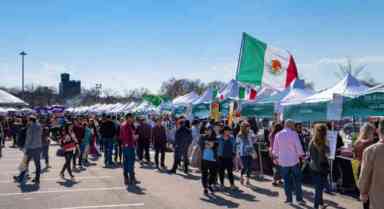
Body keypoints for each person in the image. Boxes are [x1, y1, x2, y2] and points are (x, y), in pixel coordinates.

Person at [273, 119, 305, 205]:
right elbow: (298, 146)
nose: (294, 126)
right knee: (297, 180)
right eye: (293, 125)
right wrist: (302, 155)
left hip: (283, 161)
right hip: (294, 160)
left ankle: (289, 199)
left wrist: (275, 158)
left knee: (286, 181)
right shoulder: (294, 134)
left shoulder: (278, 134)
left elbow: (275, 149)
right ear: (291, 125)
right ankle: (299, 199)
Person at [358, 119, 384, 209]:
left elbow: (364, 175)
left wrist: (363, 192)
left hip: (378, 199)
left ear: (378, 130)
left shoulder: (370, 151)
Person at [353, 122, 376, 209]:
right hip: (370, 171)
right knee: (372, 199)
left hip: (360, 168)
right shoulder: (371, 143)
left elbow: (355, 156)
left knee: (364, 198)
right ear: (370, 132)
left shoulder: (357, 142)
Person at [14, 116, 43, 185]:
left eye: (28, 120)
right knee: (37, 164)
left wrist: (25, 147)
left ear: (31, 121)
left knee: (25, 163)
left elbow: (29, 139)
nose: (28, 122)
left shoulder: (30, 128)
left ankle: (22, 176)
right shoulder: (39, 126)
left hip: (30, 148)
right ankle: (37, 179)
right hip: (38, 147)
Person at [309, 124, 330, 209]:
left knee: (319, 188)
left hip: (314, 167)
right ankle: (316, 206)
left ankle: (320, 204)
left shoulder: (312, 142)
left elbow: (311, 156)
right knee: (319, 189)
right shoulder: (324, 143)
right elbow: (328, 154)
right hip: (321, 168)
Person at [119, 113, 139, 185]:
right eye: (131, 118)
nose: (133, 119)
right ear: (128, 118)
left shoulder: (129, 125)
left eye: (132, 118)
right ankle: (130, 177)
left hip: (128, 146)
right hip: (128, 146)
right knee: (129, 162)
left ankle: (128, 177)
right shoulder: (125, 126)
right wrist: (134, 138)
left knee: (128, 162)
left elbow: (121, 137)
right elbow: (126, 137)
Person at [199, 126, 218, 195]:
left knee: (213, 174)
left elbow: (214, 146)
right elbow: (201, 144)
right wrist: (208, 144)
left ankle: (209, 184)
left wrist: (208, 144)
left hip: (213, 159)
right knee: (204, 174)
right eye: (207, 130)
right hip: (204, 158)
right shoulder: (202, 137)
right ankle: (205, 188)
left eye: (210, 130)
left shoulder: (215, 138)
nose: (208, 131)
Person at [236, 121, 256, 186]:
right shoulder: (240, 134)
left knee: (250, 167)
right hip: (243, 152)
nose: (248, 128)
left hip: (250, 151)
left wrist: (254, 137)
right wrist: (237, 153)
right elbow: (238, 144)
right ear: (243, 127)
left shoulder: (251, 132)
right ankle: (241, 176)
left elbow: (254, 141)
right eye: (247, 126)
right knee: (245, 167)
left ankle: (247, 180)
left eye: (249, 126)